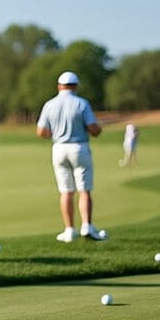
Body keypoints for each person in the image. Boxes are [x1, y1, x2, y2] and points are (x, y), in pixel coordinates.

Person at [36, 71, 106, 242]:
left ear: (59, 86)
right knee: (84, 190)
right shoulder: (82, 103)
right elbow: (94, 130)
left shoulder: (49, 104)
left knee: (66, 191)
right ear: (75, 86)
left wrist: (56, 133)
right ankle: (87, 226)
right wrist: (98, 128)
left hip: (58, 148)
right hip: (79, 147)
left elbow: (41, 132)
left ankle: (69, 230)